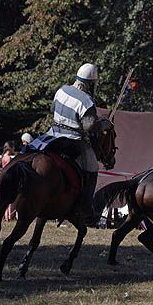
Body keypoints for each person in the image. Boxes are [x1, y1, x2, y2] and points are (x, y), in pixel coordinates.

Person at [42, 63, 103, 226]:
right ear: (91, 83)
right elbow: (89, 127)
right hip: (73, 140)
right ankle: (85, 208)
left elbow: (52, 109)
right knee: (92, 168)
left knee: (33, 148)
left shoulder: (61, 90)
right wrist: (101, 124)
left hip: (52, 135)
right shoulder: (87, 101)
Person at [1, 141, 17, 221]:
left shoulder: (3, 157)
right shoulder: (9, 158)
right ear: (10, 148)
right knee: (11, 198)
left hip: (4, 178)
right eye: (13, 147)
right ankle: (10, 216)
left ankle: (5, 215)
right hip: (9, 178)